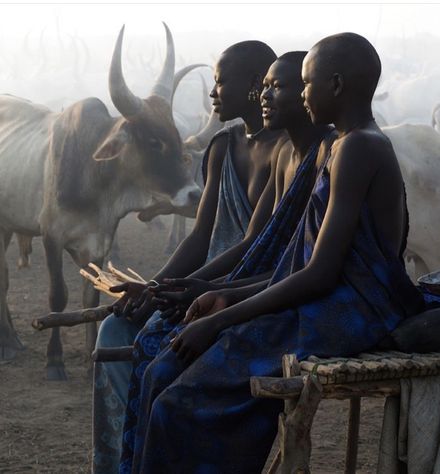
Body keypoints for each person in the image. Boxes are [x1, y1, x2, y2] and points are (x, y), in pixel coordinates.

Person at [124, 33, 431, 474]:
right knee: (168, 372)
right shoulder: (346, 145)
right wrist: (223, 294)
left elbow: (321, 275)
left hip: (354, 311)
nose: (302, 94)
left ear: (337, 86)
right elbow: (305, 267)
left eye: (306, 84)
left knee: (180, 403)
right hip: (327, 301)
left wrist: (221, 317)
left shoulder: (359, 147)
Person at [119, 51, 336, 472]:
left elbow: (314, 270)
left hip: (301, 303)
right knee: (153, 359)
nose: (266, 96)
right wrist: (186, 289)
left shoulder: (334, 154)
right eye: (268, 87)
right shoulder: (277, 152)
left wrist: (217, 302)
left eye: (281, 86)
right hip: (261, 287)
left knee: (169, 384)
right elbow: (257, 241)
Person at [91, 40, 287, 474]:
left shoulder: (290, 151)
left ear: (256, 85)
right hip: (198, 283)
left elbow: (260, 245)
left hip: (245, 289)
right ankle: (119, 462)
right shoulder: (222, 145)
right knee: (116, 328)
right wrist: (153, 286)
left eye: (220, 82)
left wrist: (180, 290)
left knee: (160, 348)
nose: (213, 93)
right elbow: (201, 236)